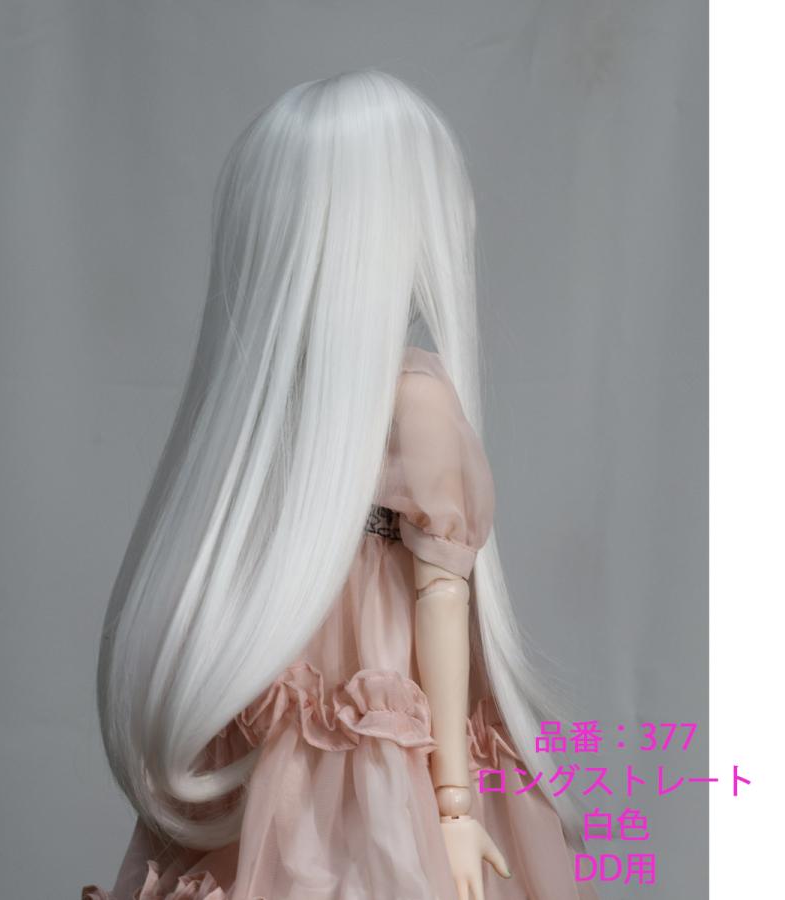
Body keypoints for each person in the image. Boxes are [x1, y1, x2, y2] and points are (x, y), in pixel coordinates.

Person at [83, 69, 594, 900]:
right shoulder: (410, 397)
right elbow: (441, 596)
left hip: (300, 727)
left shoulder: (280, 408)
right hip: (373, 744)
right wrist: (454, 806)